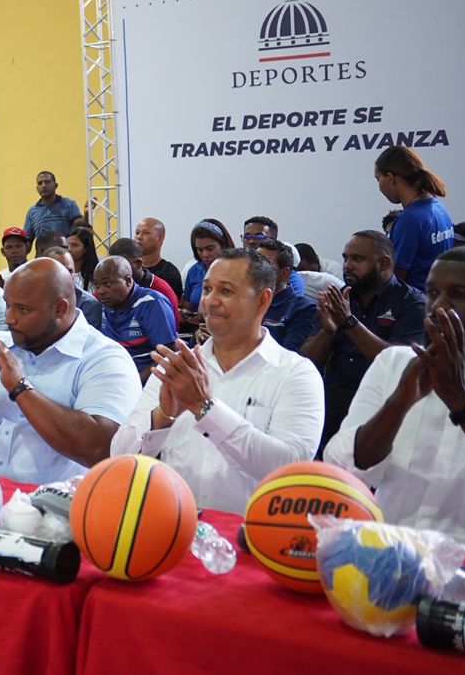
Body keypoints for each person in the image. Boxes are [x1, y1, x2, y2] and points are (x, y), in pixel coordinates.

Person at [110, 248, 325, 513]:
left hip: (251, 531)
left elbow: (290, 467)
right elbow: (119, 457)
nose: (210, 301)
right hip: (176, 525)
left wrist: (204, 408)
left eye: (225, 291)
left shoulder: (295, 373)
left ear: (262, 300)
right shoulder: (179, 366)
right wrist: (163, 415)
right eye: (207, 289)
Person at [324, 246, 465, 546]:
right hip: (386, 553)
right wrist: (399, 402)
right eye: (433, 293)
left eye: (460, 295)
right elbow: (345, 467)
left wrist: (462, 402)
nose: (439, 306)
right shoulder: (395, 363)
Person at [0, 258, 140, 483]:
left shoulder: (104, 358)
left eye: (22, 309)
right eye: (8, 305)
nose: (9, 319)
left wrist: (21, 389)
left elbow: (101, 449)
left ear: (60, 309)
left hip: (59, 500)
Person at [300, 230, 427, 453]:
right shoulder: (340, 297)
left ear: (383, 263)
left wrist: (348, 322)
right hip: (333, 404)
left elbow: (399, 365)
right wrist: (329, 331)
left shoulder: (412, 303)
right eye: (346, 258)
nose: (347, 265)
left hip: (382, 408)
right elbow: (308, 361)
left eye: (357, 259)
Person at [376, 146, 455, 292]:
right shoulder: (439, 208)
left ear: (391, 178)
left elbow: (395, 279)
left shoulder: (410, 220)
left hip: (415, 301)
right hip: (434, 297)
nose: (379, 187)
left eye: (378, 179)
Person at [93, 256, 178, 379]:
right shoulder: (102, 303)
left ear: (128, 281)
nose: (100, 291)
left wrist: (134, 383)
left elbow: (168, 355)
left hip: (143, 379)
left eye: (107, 284)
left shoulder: (152, 303)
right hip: (110, 375)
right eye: (97, 285)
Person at [256, 239, 317, 353]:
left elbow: (288, 354)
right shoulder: (246, 301)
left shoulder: (302, 308)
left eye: (264, 264)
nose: (255, 269)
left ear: (284, 273)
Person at [181, 219, 233, 334]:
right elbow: (187, 305)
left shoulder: (237, 269)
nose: (205, 255)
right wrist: (186, 314)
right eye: (199, 250)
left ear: (223, 245)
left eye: (210, 249)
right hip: (198, 332)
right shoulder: (194, 270)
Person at [107, 237, 179, 314]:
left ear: (138, 263)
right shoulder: (107, 287)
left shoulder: (161, 292)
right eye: (111, 266)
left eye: (120, 266)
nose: (114, 271)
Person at [40, 244, 102, 330]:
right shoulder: (31, 297)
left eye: (69, 271)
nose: (65, 275)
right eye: (59, 271)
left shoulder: (88, 305)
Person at [241, 216, 306, 295]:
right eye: (247, 236)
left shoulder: (287, 277)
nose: (251, 241)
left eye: (259, 237)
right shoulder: (238, 269)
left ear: (274, 241)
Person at [22, 171, 84, 241]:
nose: (43, 185)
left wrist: (86, 213)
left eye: (47, 182)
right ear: (37, 188)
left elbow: (81, 230)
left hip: (65, 248)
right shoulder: (32, 212)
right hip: (42, 248)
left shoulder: (69, 204)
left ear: (56, 185)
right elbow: (27, 242)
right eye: (40, 183)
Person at [134, 217, 183, 298]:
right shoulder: (130, 269)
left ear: (160, 238)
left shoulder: (170, 274)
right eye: (137, 233)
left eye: (145, 233)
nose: (139, 237)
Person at [66, 226, 100, 292]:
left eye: (75, 245)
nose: (69, 249)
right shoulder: (61, 273)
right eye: (67, 246)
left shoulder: (95, 275)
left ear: (86, 249)